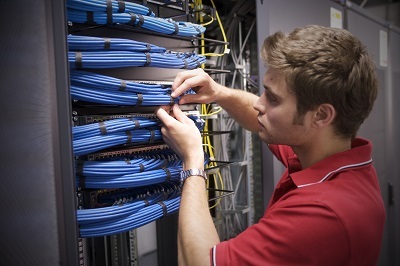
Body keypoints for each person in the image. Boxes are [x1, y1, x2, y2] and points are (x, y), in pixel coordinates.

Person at [156, 25, 386, 266]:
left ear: (320, 116)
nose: (259, 104)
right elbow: (258, 118)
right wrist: (218, 93)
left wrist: (193, 158)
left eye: (273, 98)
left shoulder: (322, 213)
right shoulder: (328, 155)